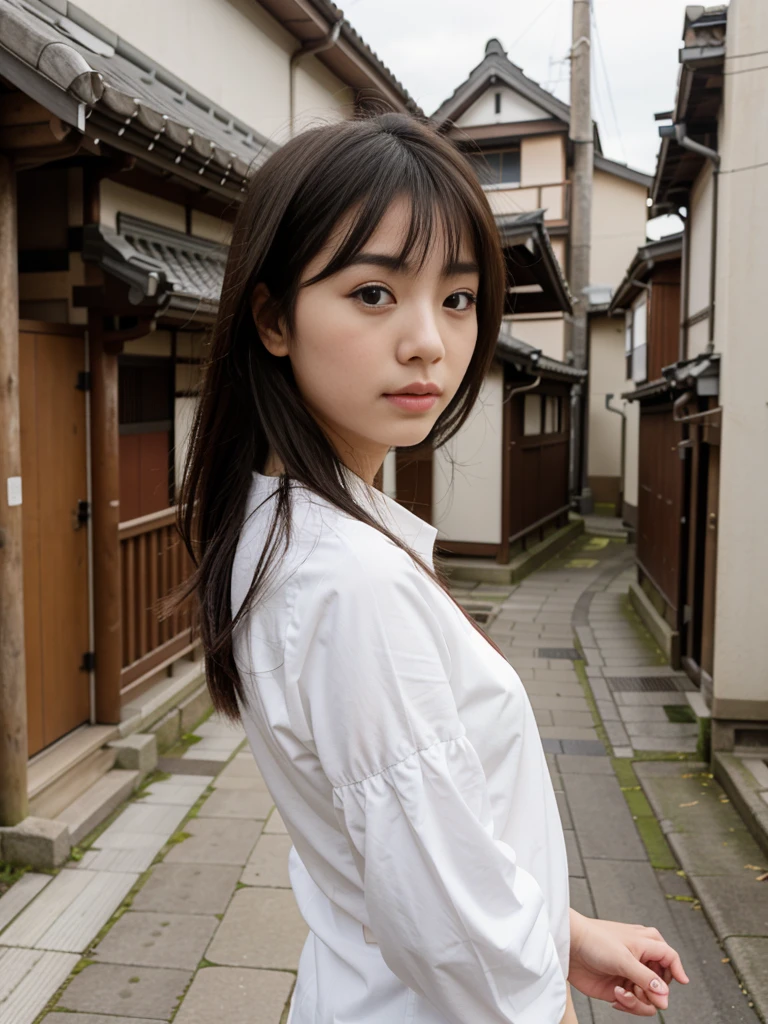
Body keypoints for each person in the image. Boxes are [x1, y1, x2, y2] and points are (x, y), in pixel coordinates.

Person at [176, 112, 689, 1023]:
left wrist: (561, 932)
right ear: (272, 317)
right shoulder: (351, 585)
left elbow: (399, 856)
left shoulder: (282, 533)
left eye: (455, 299)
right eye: (373, 293)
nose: (430, 342)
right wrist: (547, 993)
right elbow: (466, 953)